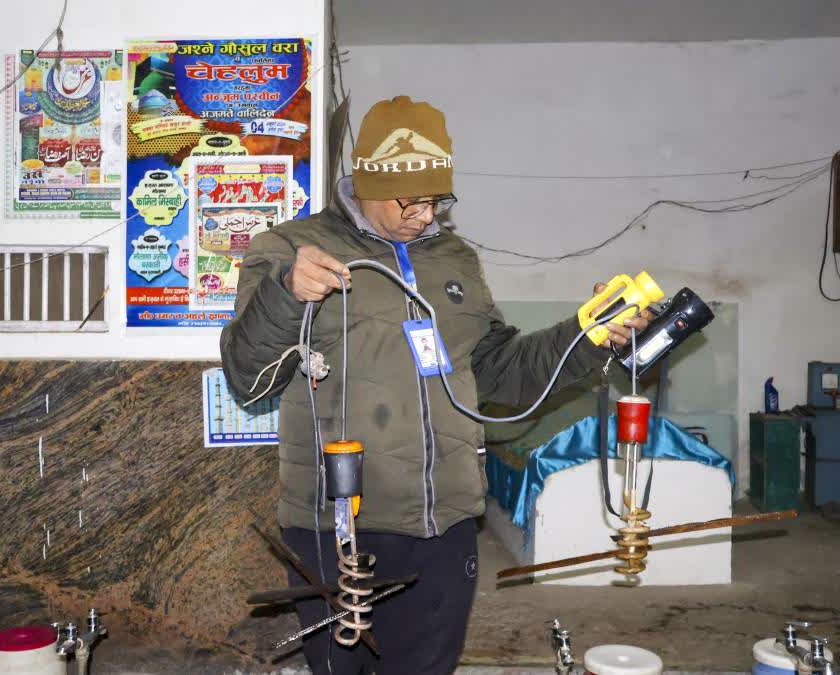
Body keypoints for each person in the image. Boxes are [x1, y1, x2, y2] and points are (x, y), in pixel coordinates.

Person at [220, 96, 650, 675]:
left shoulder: (455, 259)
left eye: (437, 200)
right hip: (341, 525)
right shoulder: (291, 250)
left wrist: (587, 333)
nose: (427, 215)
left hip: (445, 524)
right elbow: (246, 377)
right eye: (412, 200)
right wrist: (284, 294)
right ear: (368, 181)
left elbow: (502, 372)